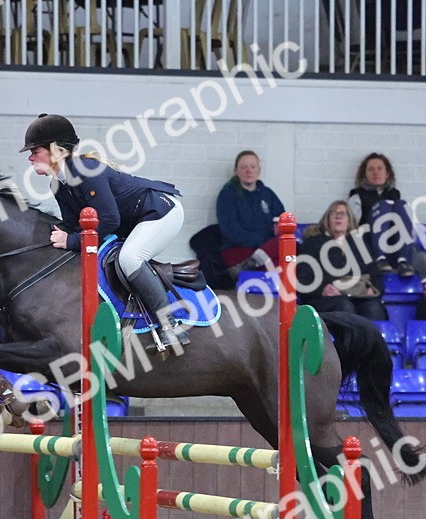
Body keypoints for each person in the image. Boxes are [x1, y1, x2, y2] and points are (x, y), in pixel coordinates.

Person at [20, 113, 190, 350]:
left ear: (55, 150)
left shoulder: (86, 170)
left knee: (130, 259)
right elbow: (73, 223)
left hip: (161, 211)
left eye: (35, 151)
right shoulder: (58, 183)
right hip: (135, 220)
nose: (30, 157)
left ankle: (170, 326)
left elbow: (108, 221)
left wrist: (70, 241)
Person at [296, 200, 388, 321]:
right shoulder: (313, 244)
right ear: (327, 219)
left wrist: (373, 289)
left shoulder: (360, 245)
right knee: (345, 307)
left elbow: (376, 275)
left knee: (374, 308)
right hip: (326, 299)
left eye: (343, 214)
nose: (338, 217)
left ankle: (374, 340)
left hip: (358, 297)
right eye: (334, 214)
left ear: (349, 220)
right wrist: (322, 290)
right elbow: (303, 280)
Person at [348, 152, 426, 277]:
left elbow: (407, 228)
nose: (375, 172)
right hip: (368, 247)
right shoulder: (357, 196)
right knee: (383, 206)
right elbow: (351, 228)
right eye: (370, 169)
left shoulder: (395, 195)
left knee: (402, 206)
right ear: (364, 175)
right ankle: (380, 259)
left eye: (379, 168)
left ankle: (403, 261)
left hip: (394, 246)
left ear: (387, 174)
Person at [215, 150, 285, 276]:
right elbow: (230, 230)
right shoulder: (228, 195)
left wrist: (278, 230)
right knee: (279, 269)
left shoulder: (267, 194)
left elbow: (282, 220)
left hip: (266, 249)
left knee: (290, 245)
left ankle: (251, 265)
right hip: (239, 249)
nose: (249, 171)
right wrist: (262, 242)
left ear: (259, 170)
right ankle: (250, 266)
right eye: (243, 167)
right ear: (236, 171)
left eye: (253, 167)